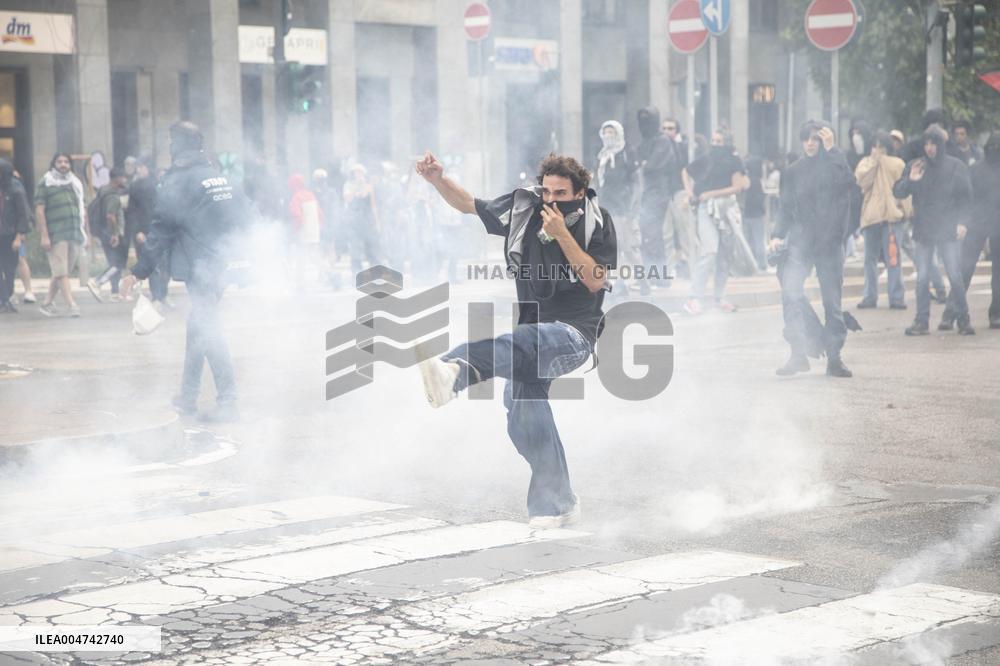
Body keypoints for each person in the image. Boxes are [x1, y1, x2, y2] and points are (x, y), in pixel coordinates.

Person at [414, 151, 616, 528]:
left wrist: (562, 236)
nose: (552, 201)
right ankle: (558, 502)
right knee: (522, 407)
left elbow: (594, 279)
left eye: (562, 194)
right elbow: (470, 205)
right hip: (534, 332)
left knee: (522, 340)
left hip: (574, 334)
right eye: (548, 192)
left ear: (581, 191)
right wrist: (437, 180)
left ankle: (454, 371)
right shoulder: (525, 208)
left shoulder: (597, 223)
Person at [122, 121, 253, 422]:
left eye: (170, 141)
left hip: (202, 267)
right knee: (198, 326)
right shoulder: (218, 176)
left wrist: (139, 271)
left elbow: (160, 232)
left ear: (177, 146)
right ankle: (188, 396)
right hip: (222, 264)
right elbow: (248, 215)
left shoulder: (179, 182)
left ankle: (229, 402)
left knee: (206, 328)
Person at [769, 121, 856, 378]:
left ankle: (834, 358)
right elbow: (784, 206)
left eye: (816, 139)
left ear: (823, 142)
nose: (810, 143)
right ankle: (798, 353)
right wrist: (776, 235)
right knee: (791, 291)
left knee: (833, 303)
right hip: (801, 242)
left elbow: (848, 183)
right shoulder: (793, 171)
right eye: (807, 138)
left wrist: (833, 151)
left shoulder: (833, 165)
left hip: (830, 243)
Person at [893, 125, 974, 336]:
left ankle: (963, 319)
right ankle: (921, 321)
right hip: (924, 229)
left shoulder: (955, 166)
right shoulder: (916, 165)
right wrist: (911, 180)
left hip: (948, 229)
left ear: (941, 145)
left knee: (955, 275)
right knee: (922, 277)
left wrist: (963, 222)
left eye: (934, 143)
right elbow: (899, 192)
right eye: (926, 144)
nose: (930, 148)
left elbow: (966, 198)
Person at [681, 129, 747, 314]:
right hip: (706, 209)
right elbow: (686, 172)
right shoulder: (707, 158)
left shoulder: (735, 161)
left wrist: (711, 193)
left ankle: (719, 297)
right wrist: (690, 193)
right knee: (710, 250)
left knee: (725, 255)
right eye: (713, 140)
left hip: (727, 210)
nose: (716, 145)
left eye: (720, 141)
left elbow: (737, 187)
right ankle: (694, 297)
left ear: (727, 142)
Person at [940, 132, 1000, 329]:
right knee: (964, 270)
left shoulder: (974, 169)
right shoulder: (974, 170)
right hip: (977, 223)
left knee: (968, 270)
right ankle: (951, 312)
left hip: (988, 223)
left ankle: (993, 313)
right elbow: (965, 198)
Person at [855, 131, 907, 310]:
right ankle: (870, 296)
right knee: (870, 259)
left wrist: (905, 211)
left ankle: (897, 297)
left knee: (893, 258)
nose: (877, 150)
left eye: (882, 146)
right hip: (871, 218)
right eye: (874, 146)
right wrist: (875, 163)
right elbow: (862, 182)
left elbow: (904, 188)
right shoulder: (865, 164)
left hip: (891, 218)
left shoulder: (897, 164)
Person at [35, 152, 88, 318]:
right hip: (56, 234)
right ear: (53, 164)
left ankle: (46, 303)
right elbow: (39, 210)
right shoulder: (46, 182)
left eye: (66, 161)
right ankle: (72, 304)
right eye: (60, 161)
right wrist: (44, 235)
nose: (63, 164)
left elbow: (82, 209)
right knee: (61, 271)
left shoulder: (74, 183)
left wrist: (86, 233)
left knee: (61, 272)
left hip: (74, 232)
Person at [595, 120, 639, 298]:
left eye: (611, 132)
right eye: (605, 132)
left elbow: (636, 181)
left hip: (622, 206)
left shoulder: (627, 153)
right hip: (605, 206)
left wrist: (633, 206)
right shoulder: (601, 156)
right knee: (611, 248)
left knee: (625, 247)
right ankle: (617, 284)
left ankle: (641, 281)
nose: (608, 136)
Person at [635, 107, 677, 290]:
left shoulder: (662, 141)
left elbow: (650, 165)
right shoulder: (646, 140)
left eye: (647, 120)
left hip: (658, 193)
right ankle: (652, 275)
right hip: (646, 193)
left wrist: (643, 165)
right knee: (645, 235)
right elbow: (637, 162)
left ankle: (660, 277)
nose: (644, 124)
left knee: (653, 235)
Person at [127, 155, 169, 307]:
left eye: (141, 166)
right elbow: (132, 211)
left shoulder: (158, 184)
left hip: (160, 229)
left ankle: (163, 295)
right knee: (152, 264)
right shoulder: (136, 186)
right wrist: (137, 230)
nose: (139, 170)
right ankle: (156, 296)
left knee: (164, 264)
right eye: (138, 167)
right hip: (144, 231)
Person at [86, 167, 129, 301]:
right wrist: (115, 234)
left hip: (103, 232)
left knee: (113, 262)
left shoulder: (103, 191)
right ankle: (97, 282)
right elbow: (110, 216)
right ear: (118, 179)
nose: (125, 180)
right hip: (111, 234)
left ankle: (114, 292)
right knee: (117, 264)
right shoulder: (113, 196)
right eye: (123, 177)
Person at [662, 117, 695, 279]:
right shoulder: (660, 146)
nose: (667, 131)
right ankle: (669, 270)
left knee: (685, 232)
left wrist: (688, 194)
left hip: (680, 192)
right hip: (664, 194)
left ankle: (691, 267)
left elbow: (688, 170)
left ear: (677, 130)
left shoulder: (683, 147)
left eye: (671, 128)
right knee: (666, 234)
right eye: (665, 128)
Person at [0, 159, 31, 313]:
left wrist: (19, 237)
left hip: (10, 236)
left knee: (10, 269)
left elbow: (22, 215)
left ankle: (7, 296)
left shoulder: (16, 190)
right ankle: (3, 299)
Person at [342, 164, 381, 274]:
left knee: (371, 247)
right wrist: (357, 189)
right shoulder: (348, 185)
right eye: (356, 172)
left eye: (360, 172)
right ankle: (356, 273)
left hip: (367, 220)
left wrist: (377, 221)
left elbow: (373, 205)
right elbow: (348, 199)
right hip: (354, 220)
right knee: (355, 248)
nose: (358, 175)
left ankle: (375, 273)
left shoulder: (368, 186)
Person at [743, 155, 768, 272]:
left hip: (747, 213)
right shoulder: (757, 181)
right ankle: (762, 264)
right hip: (757, 214)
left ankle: (750, 263)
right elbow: (760, 198)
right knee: (759, 240)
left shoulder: (746, 180)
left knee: (749, 240)